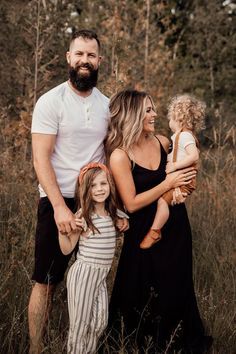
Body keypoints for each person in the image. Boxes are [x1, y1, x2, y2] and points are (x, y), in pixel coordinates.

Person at [29, 29, 128, 353]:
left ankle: (84, 343)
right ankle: (36, 347)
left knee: (95, 277)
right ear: (69, 58)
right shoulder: (50, 101)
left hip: (97, 202)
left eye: (91, 55)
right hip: (57, 200)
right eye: (79, 54)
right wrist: (59, 206)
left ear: (99, 60)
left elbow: (115, 154)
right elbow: (40, 157)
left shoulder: (107, 106)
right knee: (46, 281)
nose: (85, 60)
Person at [105, 90, 212, 353]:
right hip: (143, 232)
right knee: (138, 291)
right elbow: (131, 203)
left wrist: (184, 183)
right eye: (149, 110)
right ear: (132, 115)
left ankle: (176, 343)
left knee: (176, 287)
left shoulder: (163, 142)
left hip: (175, 227)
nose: (155, 115)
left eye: (153, 109)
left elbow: (186, 168)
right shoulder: (120, 155)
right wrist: (167, 183)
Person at [58, 162, 129, 354]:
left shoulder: (113, 213)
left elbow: (124, 222)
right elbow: (66, 249)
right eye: (93, 186)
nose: (99, 189)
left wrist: (124, 223)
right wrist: (65, 232)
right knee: (80, 325)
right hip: (83, 274)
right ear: (85, 190)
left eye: (103, 184)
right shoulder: (83, 216)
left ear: (110, 185)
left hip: (100, 276)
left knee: (99, 323)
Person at [140, 94, 206, 249]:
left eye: (170, 118)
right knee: (164, 201)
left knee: (162, 202)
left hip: (182, 179)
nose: (169, 122)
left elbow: (195, 156)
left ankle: (154, 232)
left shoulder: (184, 136)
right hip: (178, 179)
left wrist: (175, 167)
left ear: (179, 118)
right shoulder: (179, 137)